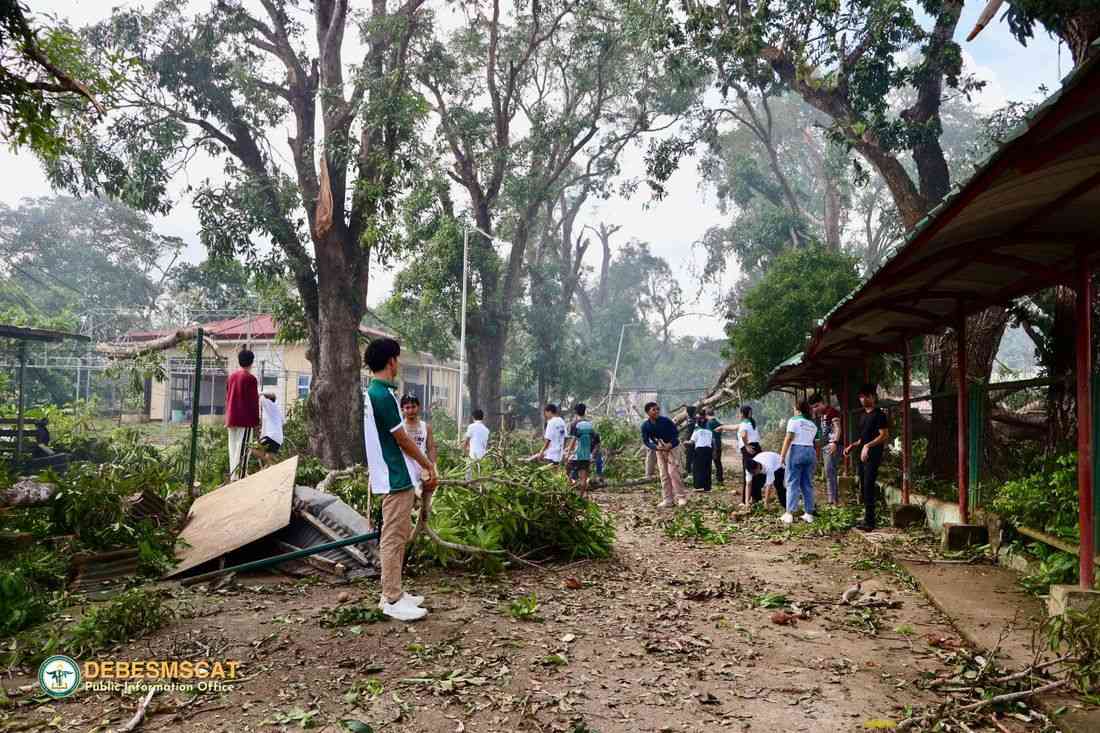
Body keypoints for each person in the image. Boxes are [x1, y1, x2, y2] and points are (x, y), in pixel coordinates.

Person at [363, 337, 437, 622]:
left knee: (398, 533)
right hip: (394, 475)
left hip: (396, 474)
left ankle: (395, 590)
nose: (399, 363)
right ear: (391, 361)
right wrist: (426, 464)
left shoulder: (379, 391)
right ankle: (391, 598)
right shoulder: (381, 395)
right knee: (393, 537)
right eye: (398, 358)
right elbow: (402, 438)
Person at [844, 383, 890, 532]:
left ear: (873, 397)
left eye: (866, 396)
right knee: (863, 486)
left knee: (869, 485)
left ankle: (870, 522)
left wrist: (868, 446)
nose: (863, 399)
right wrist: (853, 445)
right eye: (861, 397)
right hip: (862, 455)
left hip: (873, 455)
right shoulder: (863, 415)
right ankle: (867, 518)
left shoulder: (879, 415)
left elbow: (884, 435)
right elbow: (863, 438)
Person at [641, 401, 688, 508]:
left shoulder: (666, 421)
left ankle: (681, 497)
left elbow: (675, 435)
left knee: (673, 473)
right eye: (654, 409)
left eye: (658, 409)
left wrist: (669, 445)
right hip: (659, 450)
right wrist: (656, 447)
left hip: (672, 448)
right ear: (648, 412)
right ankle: (668, 500)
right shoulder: (645, 426)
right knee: (664, 475)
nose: (657, 411)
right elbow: (646, 441)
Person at [779, 400, 819, 524]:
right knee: (807, 484)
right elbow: (817, 443)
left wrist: (782, 455)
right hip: (810, 452)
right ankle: (809, 513)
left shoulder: (794, 421)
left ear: (798, 409)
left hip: (797, 450)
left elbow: (788, 438)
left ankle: (790, 513)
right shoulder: (813, 424)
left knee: (792, 482)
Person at [225, 349, 260, 481]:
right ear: (251, 362)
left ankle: (234, 475)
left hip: (231, 417)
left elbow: (227, 397)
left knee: (233, 447)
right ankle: (240, 476)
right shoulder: (251, 379)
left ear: (239, 361)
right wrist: (257, 421)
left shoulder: (231, 377)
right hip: (245, 419)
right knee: (244, 447)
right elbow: (253, 401)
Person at [809, 393, 843, 505]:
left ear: (822, 402)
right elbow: (820, 432)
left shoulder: (831, 412)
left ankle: (833, 501)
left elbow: (838, 428)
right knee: (829, 473)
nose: (815, 409)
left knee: (830, 472)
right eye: (813, 407)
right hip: (826, 446)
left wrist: (834, 443)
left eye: (816, 406)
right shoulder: (822, 414)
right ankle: (832, 500)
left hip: (832, 446)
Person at [401, 394, 438, 493]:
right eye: (407, 407)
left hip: (423, 472)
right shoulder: (400, 428)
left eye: (413, 407)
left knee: (426, 505)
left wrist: (433, 467)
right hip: (404, 472)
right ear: (402, 409)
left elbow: (430, 448)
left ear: (419, 407)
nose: (410, 410)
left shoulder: (426, 427)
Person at [565, 403, 598, 497]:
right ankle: (580, 497)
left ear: (575, 412)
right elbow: (594, 441)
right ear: (585, 411)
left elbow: (573, 440)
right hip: (586, 455)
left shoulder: (575, 424)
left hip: (576, 454)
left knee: (567, 470)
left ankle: (570, 488)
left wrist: (567, 453)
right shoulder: (590, 425)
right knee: (584, 478)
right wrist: (592, 454)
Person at [251, 391, 283, 469]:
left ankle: (274, 466)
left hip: (271, 436)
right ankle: (271, 466)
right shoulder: (276, 410)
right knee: (269, 458)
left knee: (252, 448)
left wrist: (261, 393)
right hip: (278, 439)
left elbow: (261, 397)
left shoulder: (270, 404)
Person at [737, 406, 762, 505]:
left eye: (739, 413)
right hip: (757, 447)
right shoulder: (752, 423)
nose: (738, 415)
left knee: (747, 472)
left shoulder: (743, 423)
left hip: (749, 449)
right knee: (756, 472)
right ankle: (756, 498)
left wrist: (746, 446)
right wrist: (722, 427)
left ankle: (744, 501)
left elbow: (743, 435)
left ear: (742, 414)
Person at [687, 412, 714, 493]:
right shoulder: (709, 431)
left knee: (697, 468)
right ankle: (707, 487)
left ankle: (698, 486)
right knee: (707, 468)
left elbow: (691, 442)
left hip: (699, 451)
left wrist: (685, 442)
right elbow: (712, 442)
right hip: (708, 451)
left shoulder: (696, 431)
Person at [706, 409, 724, 484]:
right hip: (719, 444)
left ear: (707, 415)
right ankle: (720, 479)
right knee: (718, 462)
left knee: (709, 462)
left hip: (712, 445)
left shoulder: (709, 423)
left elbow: (710, 435)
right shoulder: (718, 422)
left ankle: (708, 480)